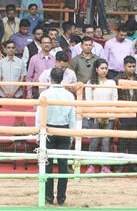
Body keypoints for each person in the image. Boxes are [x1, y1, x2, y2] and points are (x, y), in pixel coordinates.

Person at [38, 67, 76, 206]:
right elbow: (72, 118)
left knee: (47, 164)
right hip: (64, 130)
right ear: (62, 79)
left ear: (50, 78)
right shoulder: (69, 95)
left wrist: (39, 134)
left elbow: (38, 117)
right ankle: (61, 197)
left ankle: (48, 197)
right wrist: (71, 134)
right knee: (63, 165)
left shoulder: (45, 94)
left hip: (47, 130)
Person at [84, 59, 118, 173]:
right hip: (94, 117)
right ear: (96, 69)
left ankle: (105, 166)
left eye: (106, 68)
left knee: (106, 141)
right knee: (94, 141)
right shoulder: (90, 83)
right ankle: (91, 165)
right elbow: (89, 101)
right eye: (102, 68)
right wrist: (97, 114)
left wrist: (109, 115)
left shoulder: (112, 83)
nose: (104, 71)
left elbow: (115, 100)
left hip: (109, 117)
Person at [115, 55, 137, 172]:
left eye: (133, 66)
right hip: (123, 113)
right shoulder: (118, 79)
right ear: (124, 66)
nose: (132, 69)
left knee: (135, 140)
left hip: (136, 113)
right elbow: (115, 97)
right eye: (129, 66)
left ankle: (133, 164)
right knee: (122, 140)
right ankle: (121, 164)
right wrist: (116, 114)